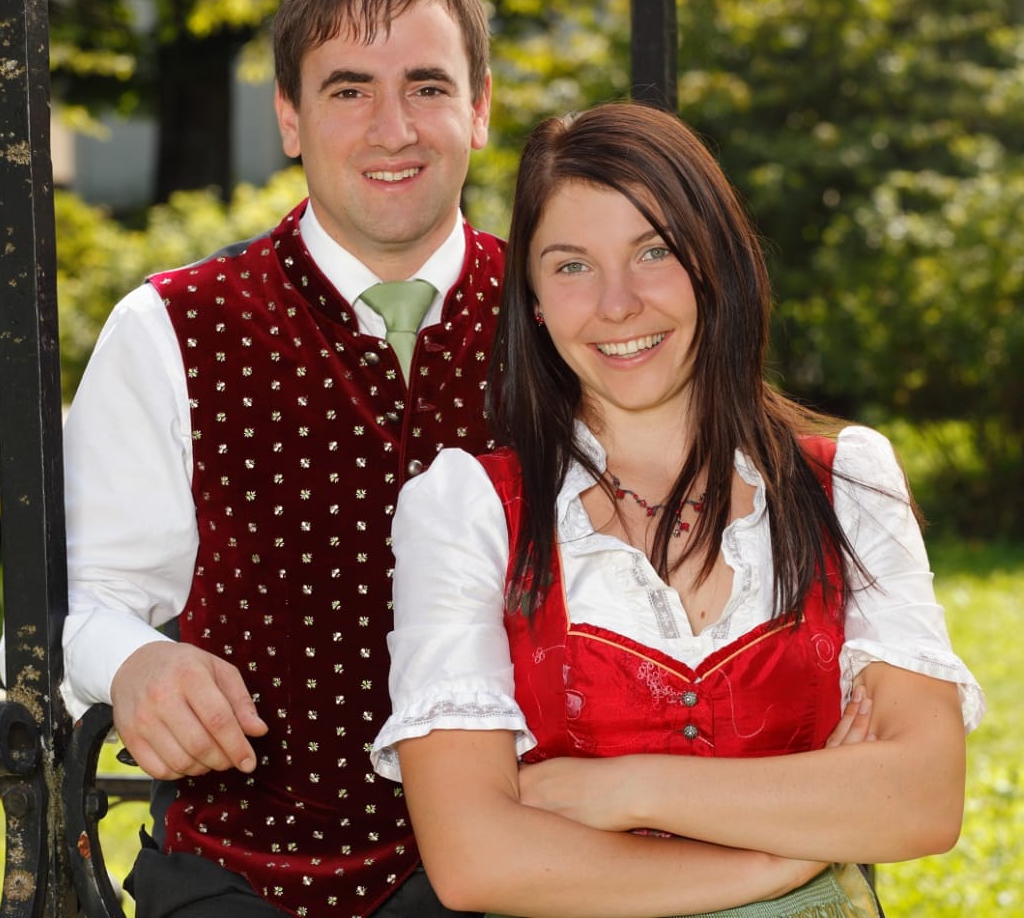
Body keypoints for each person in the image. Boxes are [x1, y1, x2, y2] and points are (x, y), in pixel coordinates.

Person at [371, 102, 985, 916]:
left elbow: (923, 799)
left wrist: (622, 790)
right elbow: (474, 859)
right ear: (535, 302)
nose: (617, 304)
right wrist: (785, 852)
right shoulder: (465, 510)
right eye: (571, 266)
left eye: (653, 251)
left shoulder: (848, 484)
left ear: (713, 264)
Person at [60, 0, 501, 918]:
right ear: (290, 119)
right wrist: (132, 661)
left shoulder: (563, 320)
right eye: (349, 90)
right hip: (241, 879)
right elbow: (78, 604)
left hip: (526, 868)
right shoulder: (169, 326)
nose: (393, 128)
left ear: (478, 109)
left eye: (427, 86)